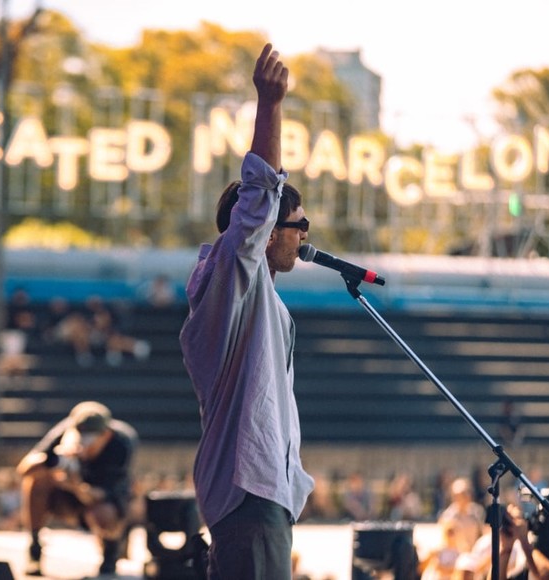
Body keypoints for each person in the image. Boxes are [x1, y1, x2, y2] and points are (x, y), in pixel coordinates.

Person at [179, 43, 314, 579]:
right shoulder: (232, 281)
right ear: (268, 232)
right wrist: (270, 106)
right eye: (298, 224)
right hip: (248, 495)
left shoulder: (268, 304)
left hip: (266, 495)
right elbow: (257, 202)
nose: (305, 236)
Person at [17, 401, 137, 577]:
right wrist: (53, 459)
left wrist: (75, 484)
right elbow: (24, 470)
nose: (84, 442)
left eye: (90, 437)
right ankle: (35, 547)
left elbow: (102, 494)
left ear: (106, 435)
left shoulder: (120, 444)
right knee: (36, 481)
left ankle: (110, 553)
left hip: (95, 499)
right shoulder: (63, 433)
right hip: (65, 498)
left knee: (105, 514)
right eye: (81, 434)